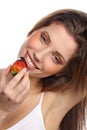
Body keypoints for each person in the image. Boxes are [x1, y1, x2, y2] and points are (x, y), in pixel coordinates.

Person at [0, 8, 87, 130]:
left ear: (62, 72)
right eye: (44, 39)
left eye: (56, 58)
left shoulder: (53, 102)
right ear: (36, 28)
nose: (39, 55)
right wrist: (2, 109)